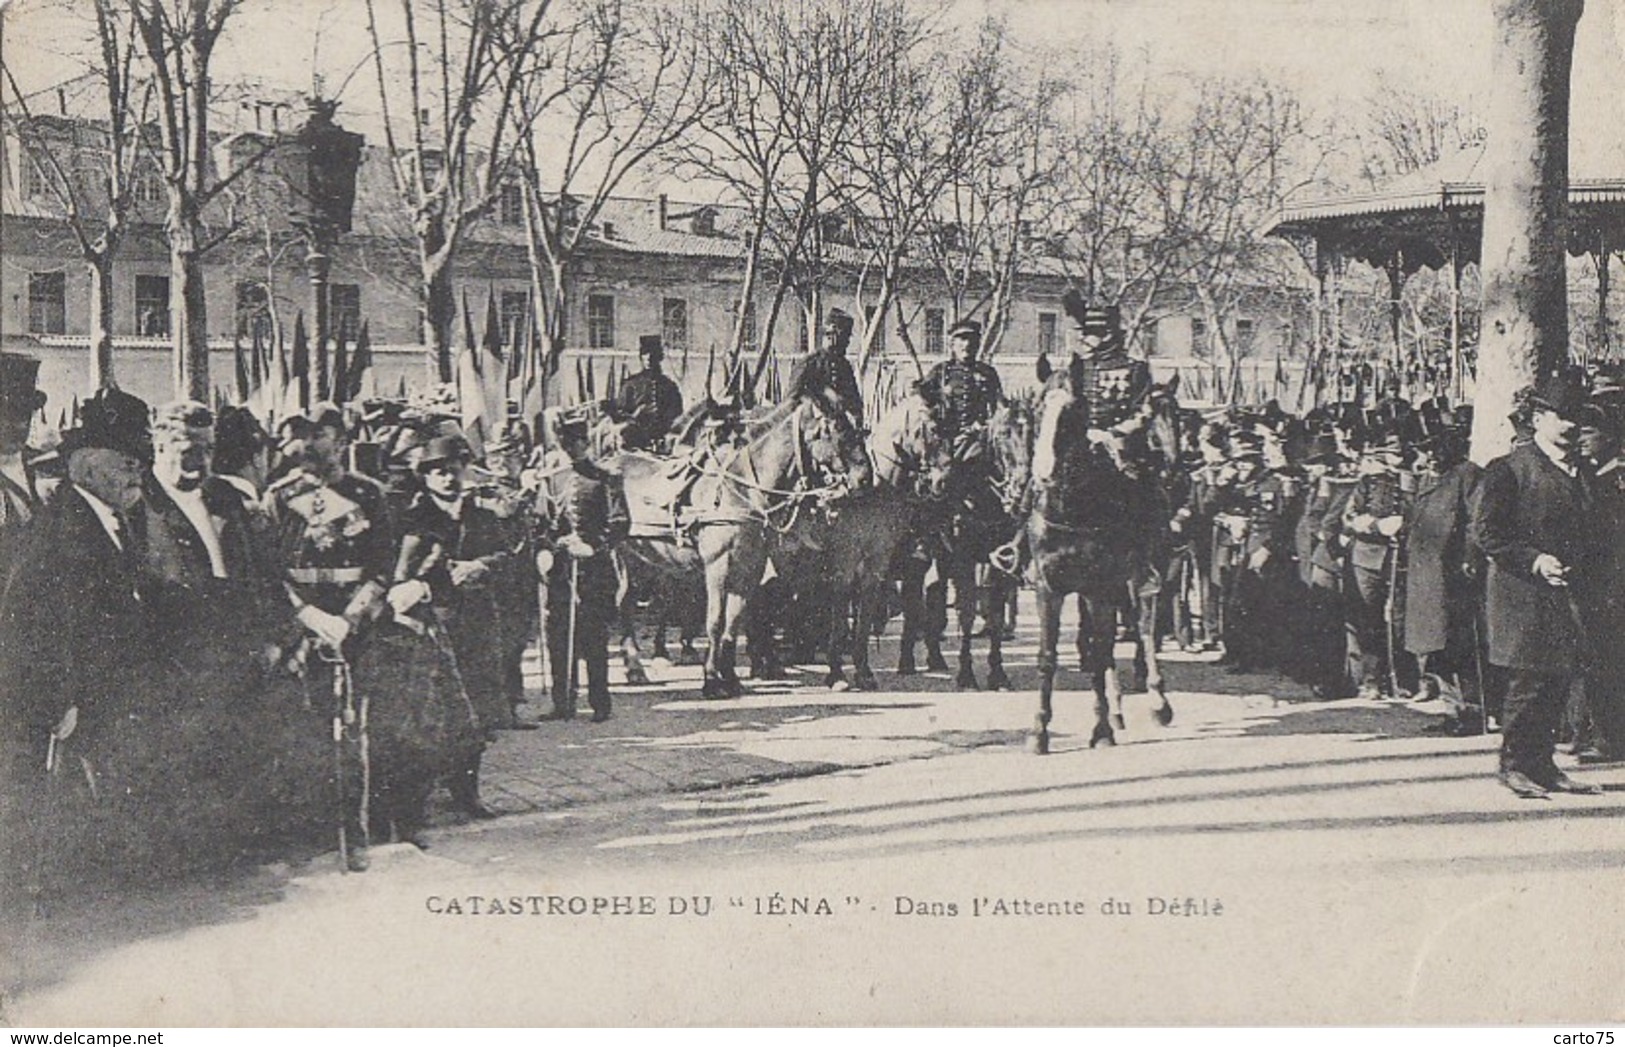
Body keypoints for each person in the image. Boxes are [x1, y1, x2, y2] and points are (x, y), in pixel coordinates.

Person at [1471, 371, 1604, 799]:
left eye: (1575, 417)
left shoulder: (1583, 471)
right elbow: (1488, 533)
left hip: (1570, 594)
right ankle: (1514, 765)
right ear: (1539, 418)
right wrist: (1533, 560)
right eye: (1561, 416)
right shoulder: (1509, 470)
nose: (1569, 425)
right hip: (1523, 595)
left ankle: (1543, 765)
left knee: (1558, 681)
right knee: (1528, 684)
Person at [534, 405, 630, 722]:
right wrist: (553, 544)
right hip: (562, 573)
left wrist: (593, 546)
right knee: (559, 637)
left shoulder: (606, 479)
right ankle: (563, 703)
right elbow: (543, 524)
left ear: (585, 444)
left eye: (576, 443)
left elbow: (620, 523)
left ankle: (600, 703)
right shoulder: (554, 481)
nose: (572, 449)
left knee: (593, 640)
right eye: (566, 444)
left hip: (594, 573)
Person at [917, 319, 1004, 452]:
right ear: (952, 344)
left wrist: (984, 425)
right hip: (944, 439)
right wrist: (929, 421)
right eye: (962, 339)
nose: (967, 344)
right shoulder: (940, 371)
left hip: (977, 439)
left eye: (972, 339)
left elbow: (999, 406)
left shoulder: (987, 373)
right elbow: (921, 399)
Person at [789, 306, 864, 430]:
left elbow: (854, 401)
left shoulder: (844, 367)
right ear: (831, 336)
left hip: (841, 432)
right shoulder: (810, 364)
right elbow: (790, 402)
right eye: (845, 337)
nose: (847, 342)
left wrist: (857, 417)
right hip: (813, 433)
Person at [613, 335, 684, 452]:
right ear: (640, 357)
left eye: (653, 355)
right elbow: (619, 416)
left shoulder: (669, 386)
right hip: (634, 444)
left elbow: (677, 414)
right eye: (645, 355)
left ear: (660, 358)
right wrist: (637, 414)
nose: (648, 359)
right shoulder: (631, 385)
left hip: (665, 444)